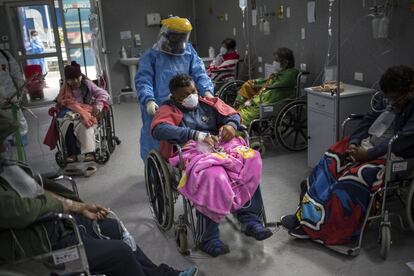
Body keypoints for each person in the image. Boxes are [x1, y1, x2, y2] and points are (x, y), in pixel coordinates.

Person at [0, 111, 198, 276]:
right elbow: (19, 210)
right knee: (119, 253)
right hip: (39, 243)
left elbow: (38, 190)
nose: (6, 146)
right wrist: (68, 206)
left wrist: (78, 206)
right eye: (3, 141)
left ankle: (162, 274)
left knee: (113, 228)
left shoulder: (7, 167)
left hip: (57, 221)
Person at [280, 65, 414, 245]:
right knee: (330, 161)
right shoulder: (386, 99)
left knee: (350, 180)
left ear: (409, 90)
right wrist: (353, 144)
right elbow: (368, 120)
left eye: (394, 98)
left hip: (393, 155)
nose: (390, 101)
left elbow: (401, 140)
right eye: (387, 96)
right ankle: (304, 216)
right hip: (367, 146)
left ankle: (321, 228)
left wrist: (367, 155)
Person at [151, 74, 273, 257]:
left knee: (249, 161)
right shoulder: (168, 109)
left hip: (221, 145)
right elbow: (158, 129)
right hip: (193, 149)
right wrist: (194, 134)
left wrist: (231, 126)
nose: (191, 96)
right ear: (174, 97)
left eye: (193, 91)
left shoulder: (208, 103)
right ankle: (208, 237)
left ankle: (250, 219)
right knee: (213, 176)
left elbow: (232, 114)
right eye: (184, 95)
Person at [135, 16, 214, 161]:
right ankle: (156, 168)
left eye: (181, 37)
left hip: (184, 105)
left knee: (186, 134)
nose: (178, 41)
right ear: (166, 35)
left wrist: (207, 91)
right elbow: (143, 80)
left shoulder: (188, 52)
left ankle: (184, 165)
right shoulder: (151, 56)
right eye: (175, 37)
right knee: (157, 135)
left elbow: (199, 73)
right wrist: (149, 100)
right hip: (159, 106)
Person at [55, 61, 109, 162]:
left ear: (81, 76)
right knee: (67, 125)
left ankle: (89, 152)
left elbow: (103, 94)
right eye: (71, 79)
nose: (75, 81)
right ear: (67, 80)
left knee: (85, 124)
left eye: (77, 78)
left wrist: (98, 105)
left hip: (87, 112)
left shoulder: (87, 84)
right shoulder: (65, 89)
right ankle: (72, 154)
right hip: (71, 113)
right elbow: (60, 101)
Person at [235, 47, 299, 125]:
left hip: (270, 101)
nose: (274, 62)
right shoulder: (281, 74)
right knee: (239, 111)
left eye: (276, 60)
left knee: (240, 117)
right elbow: (269, 81)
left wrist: (254, 100)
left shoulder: (289, 75)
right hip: (266, 98)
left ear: (285, 62)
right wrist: (256, 83)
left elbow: (272, 85)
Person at [0, 49, 29, 146]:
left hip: (9, 93)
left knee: (17, 115)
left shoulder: (5, 55)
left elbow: (16, 73)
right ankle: (6, 138)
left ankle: (22, 136)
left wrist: (22, 86)